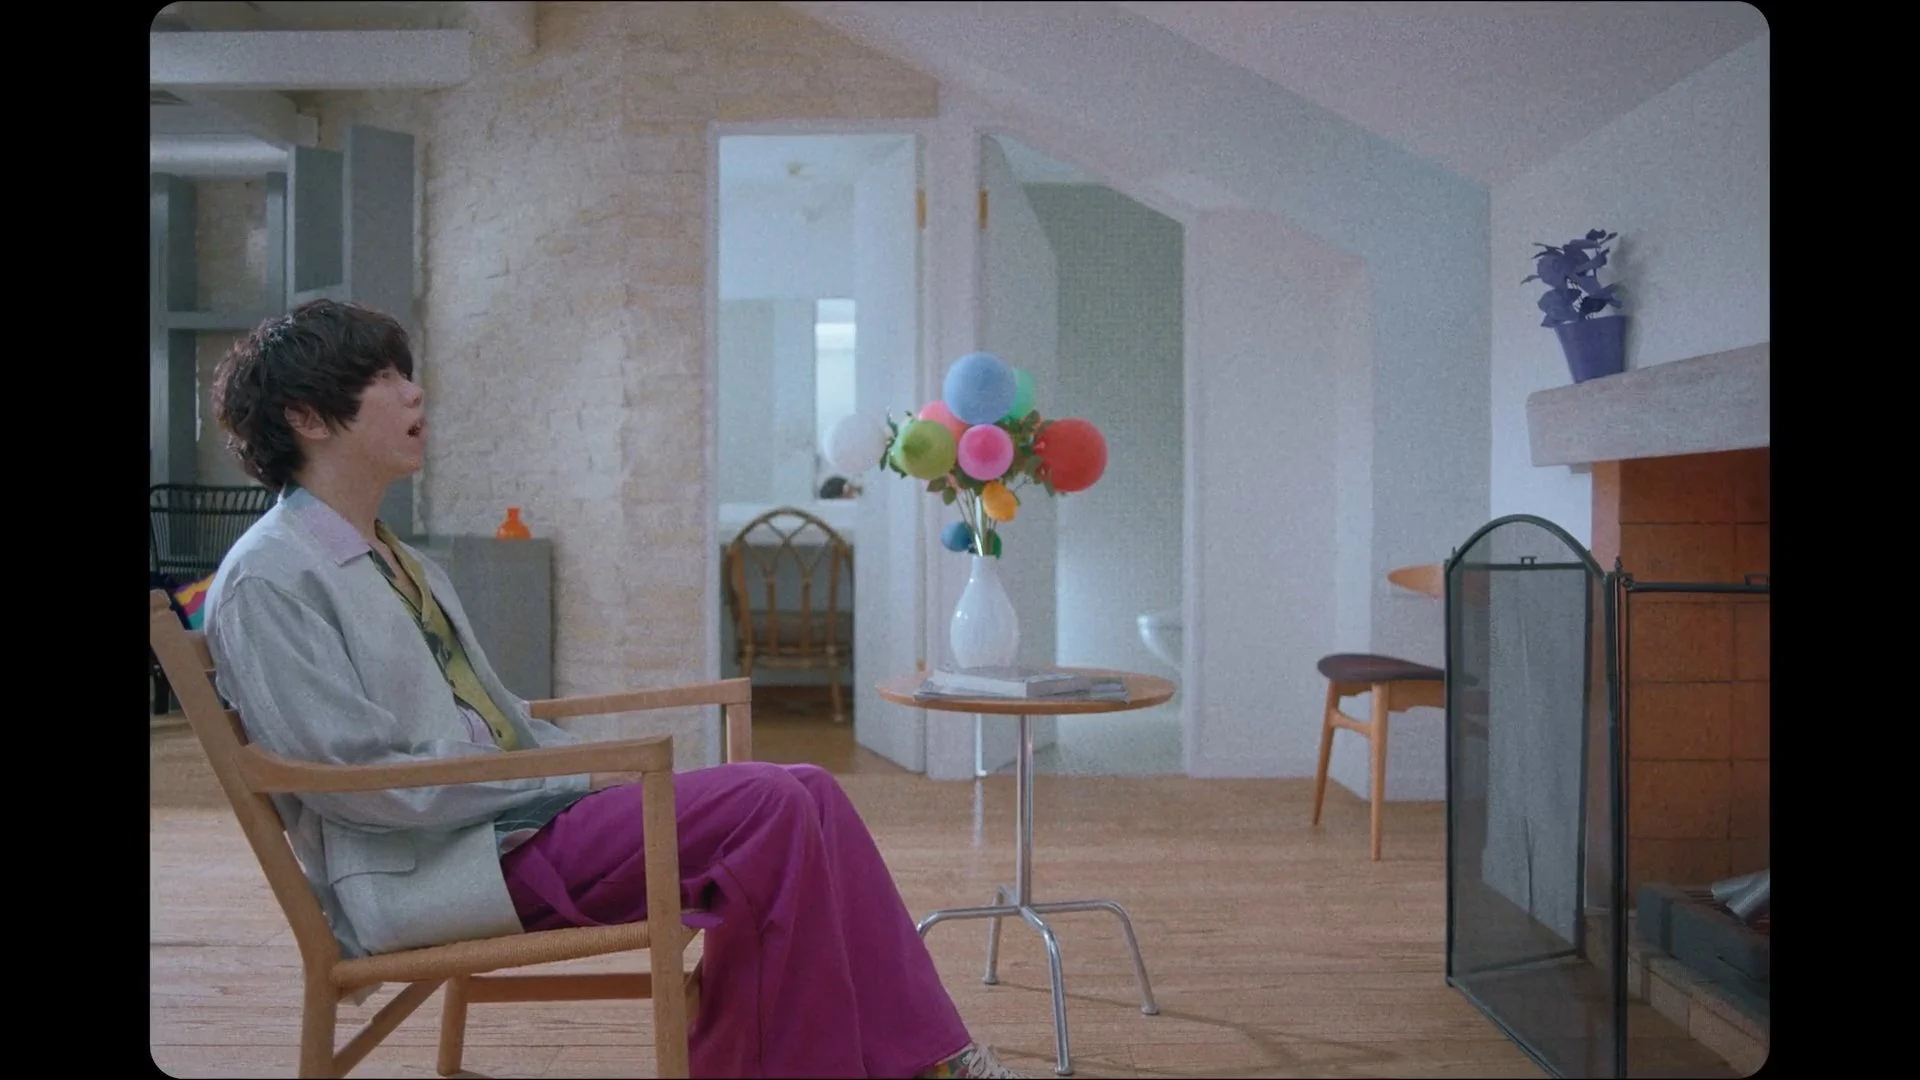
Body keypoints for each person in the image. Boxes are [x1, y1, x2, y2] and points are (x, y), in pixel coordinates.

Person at [201, 299, 1025, 1080]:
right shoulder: (270, 578)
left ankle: (927, 1056)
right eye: (383, 378)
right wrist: (564, 777)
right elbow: (353, 783)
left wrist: (567, 773)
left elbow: (492, 718)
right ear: (307, 418)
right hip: (434, 867)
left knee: (809, 788)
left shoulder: (399, 559)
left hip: (509, 825)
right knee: (769, 808)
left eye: (404, 373)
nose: (414, 392)